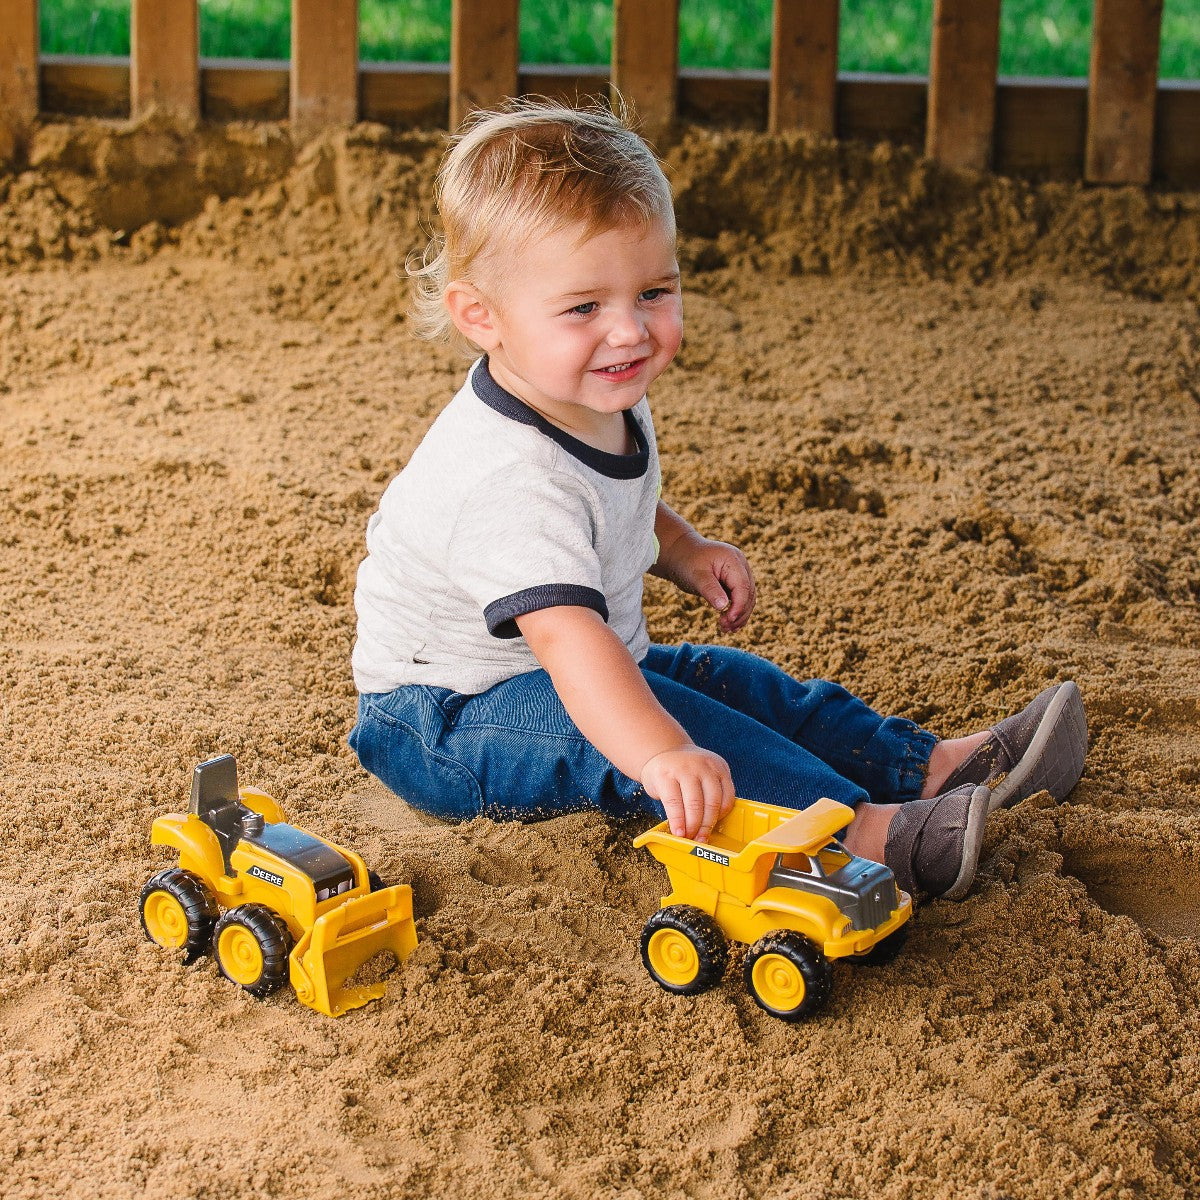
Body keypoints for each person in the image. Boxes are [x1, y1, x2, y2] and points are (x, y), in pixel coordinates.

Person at [348, 99, 1087, 902]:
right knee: (675, 733)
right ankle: (857, 836)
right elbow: (566, 639)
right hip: (447, 721)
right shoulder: (506, 479)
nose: (629, 331)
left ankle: (926, 767)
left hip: (563, 665)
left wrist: (683, 550)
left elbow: (606, 508)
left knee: (730, 682)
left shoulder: (594, 390)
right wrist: (662, 753)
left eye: (653, 292)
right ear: (481, 316)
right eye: (584, 307)